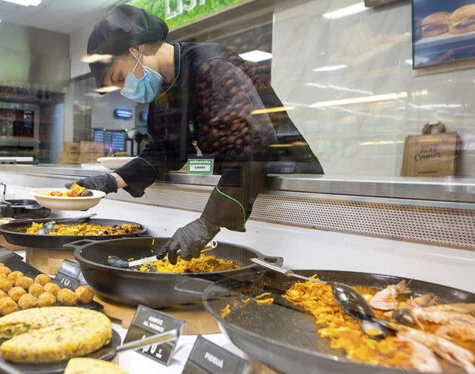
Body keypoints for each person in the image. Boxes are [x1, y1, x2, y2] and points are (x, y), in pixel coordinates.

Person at [70, 5, 320, 264]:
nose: (126, 89)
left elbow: (250, 146)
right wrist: (113, 180)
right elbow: (165, 151)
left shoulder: (212, 67)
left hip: (291, 190)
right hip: (245, 191)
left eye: (120, 77)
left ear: (138, 48)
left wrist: (207, 223)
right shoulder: (164, 90)